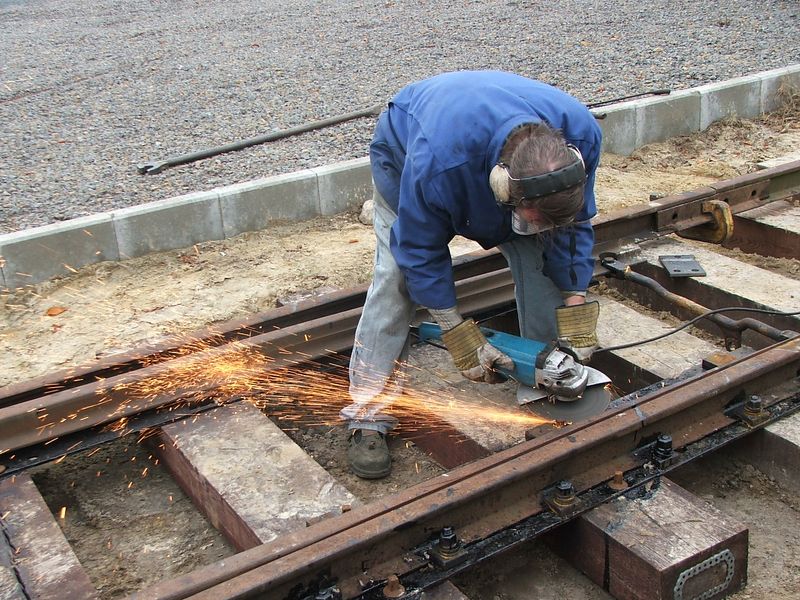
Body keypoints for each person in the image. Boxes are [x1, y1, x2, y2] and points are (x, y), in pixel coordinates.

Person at [340, 71, 602, 479]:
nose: (534, 227)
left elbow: (573, 228)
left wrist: (576, 309)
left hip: (485, 158)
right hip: (407, 150)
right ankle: (369, 413)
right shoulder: (438, 165)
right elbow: (419, 250)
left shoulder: (581, 136)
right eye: (529, 219)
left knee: (546, 256)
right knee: (397, 280)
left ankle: (548, 372)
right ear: (504, 190)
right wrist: (455, 331)